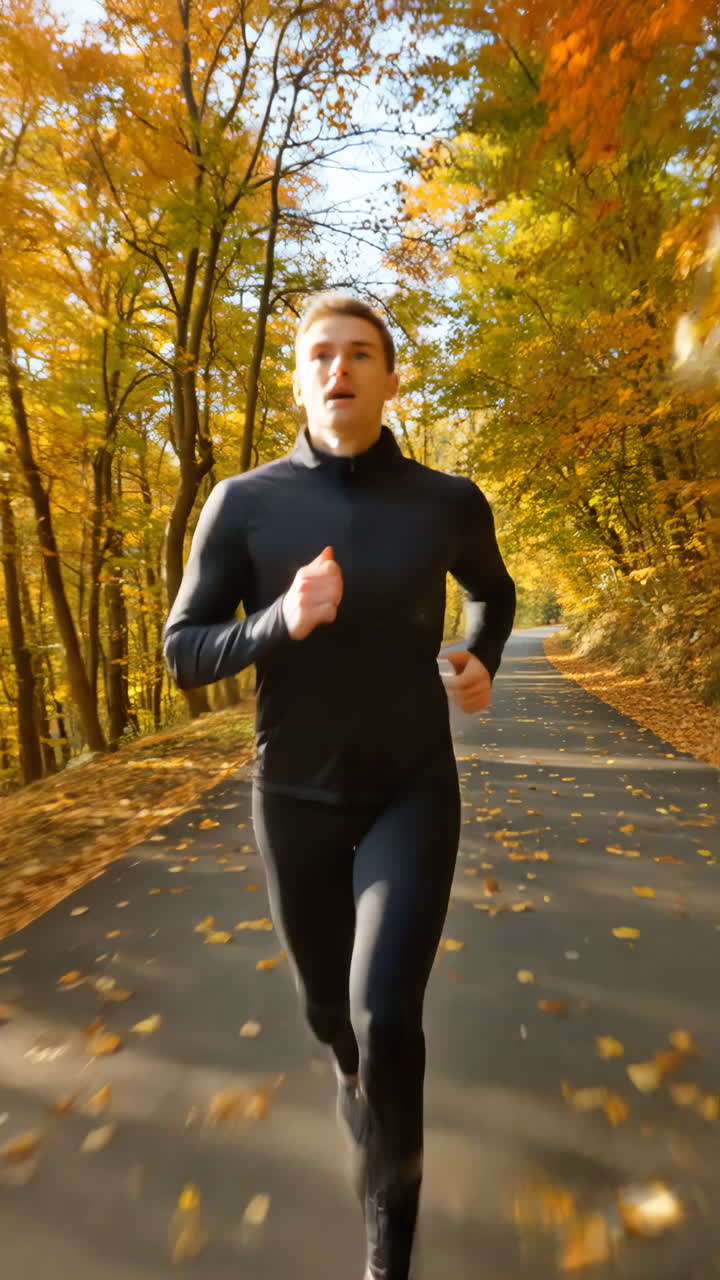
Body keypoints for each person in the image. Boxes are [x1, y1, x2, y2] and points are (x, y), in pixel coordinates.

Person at [164, 292, 516, 1279]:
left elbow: (494, 589)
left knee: (384, 1010)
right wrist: (279, 619)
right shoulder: (246, 502)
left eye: (362, 353)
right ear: (298, 376)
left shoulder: (447, 502)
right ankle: (352, 1067)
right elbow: (184, 652)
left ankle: (386, 1250)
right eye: (321, 353)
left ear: (392, 377)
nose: (340, 368)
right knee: (332, 1014)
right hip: (295, 799)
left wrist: (484, 652)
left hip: (413, 787)